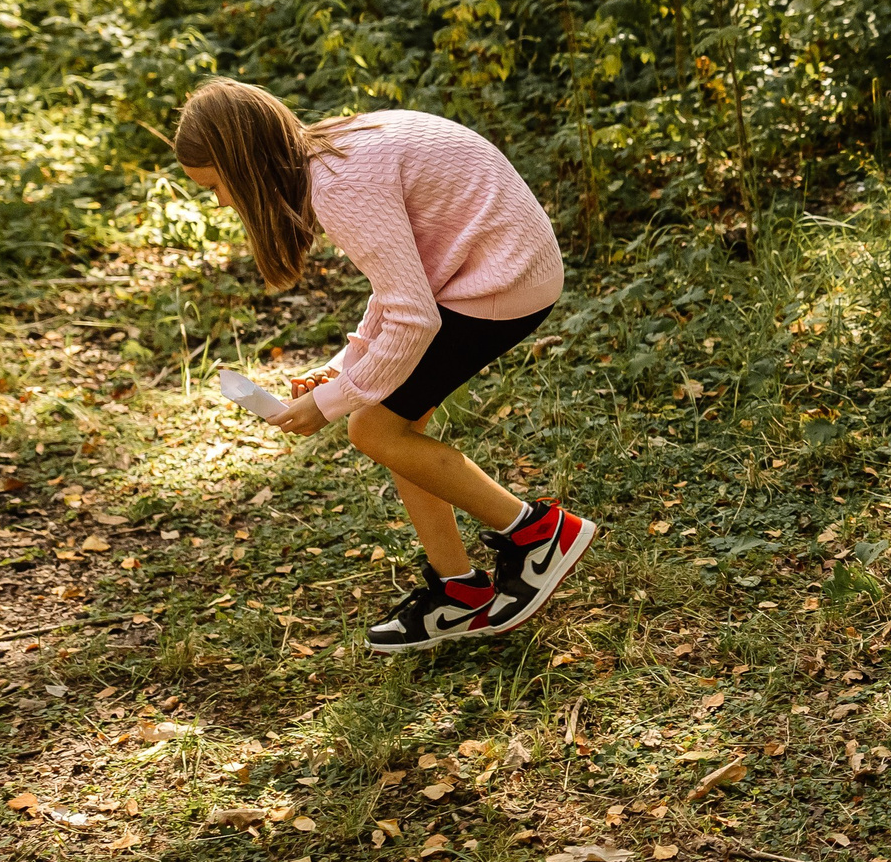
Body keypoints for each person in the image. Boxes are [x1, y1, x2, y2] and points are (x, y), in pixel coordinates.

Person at [174, 78, 599, 653]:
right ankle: (461, 591)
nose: (221, 202)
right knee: (395, 423)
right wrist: (346, 363)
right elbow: (402, 287)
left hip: (502, 280)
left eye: (216, 187)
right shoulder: (334, 151)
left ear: (242, 165)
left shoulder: (339, 184)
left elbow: (413, 317)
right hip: (494, 268)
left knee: (371, 425)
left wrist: (330, 402)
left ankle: (539, 532)